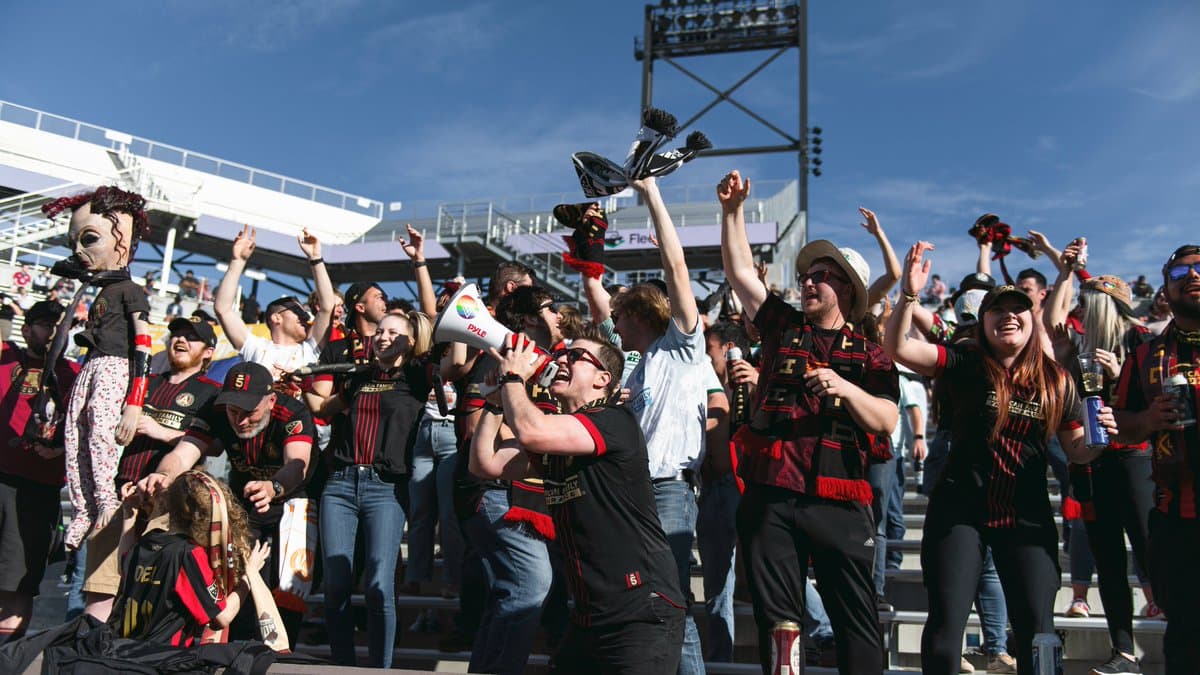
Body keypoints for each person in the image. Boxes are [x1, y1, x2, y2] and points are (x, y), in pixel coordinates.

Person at [885, 241, 1117, 675]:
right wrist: (910, 294)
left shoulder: (1057, 380)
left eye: (1018, 309)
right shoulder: (965, 360)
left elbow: (1078, 451)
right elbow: (899, 348)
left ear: (1032, 320)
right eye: (997, 310)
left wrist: (1101, 439)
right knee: (944, 631)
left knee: (1038, 633)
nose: (1009, 316)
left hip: (1025, 516)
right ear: (983, 322)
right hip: (960, 512)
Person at [719, 170, 898, 675]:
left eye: (822, 275)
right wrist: (732, 212)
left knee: (857, 622)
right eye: (807, 275)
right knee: (779, 624)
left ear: (848, 289)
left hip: (840, 497)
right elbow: (740, 274)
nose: (809, 281)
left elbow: (886, 420)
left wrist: (846, 388)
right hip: (773, 491)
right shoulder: (784, 326)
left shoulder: (872, 355)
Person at [471, 335, 686, 675]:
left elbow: (531, 431)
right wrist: (495, 404)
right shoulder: (559, 439)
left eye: (575, 356)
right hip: (590, 618)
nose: (561, 360)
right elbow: (485, 463)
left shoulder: (614, 420)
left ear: (603, 378)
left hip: (640, 613)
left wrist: (513, 377)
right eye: (561, 355)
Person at [134, 361, 316, 648]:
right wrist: (162, 475)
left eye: (249, 412)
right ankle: (239, 649)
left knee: (290, 586)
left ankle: (282, 653)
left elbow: (298, 464)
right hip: (245, 500)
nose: (240, 421)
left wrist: (273, 487)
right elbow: (183, 454)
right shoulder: (215, 410)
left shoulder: (292, 412)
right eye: (234, 411)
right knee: (238, 574)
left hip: (294, 499)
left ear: (270, 401)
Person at [609, 175, 714, 675]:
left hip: (671, 488)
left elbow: (677, 268)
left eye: (619, 316)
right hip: (635, 491)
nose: (614, 326)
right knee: (648, 597)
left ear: (640, 313)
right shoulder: (634, 371)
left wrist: (650, 192)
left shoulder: (682, 347)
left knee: (671, 596)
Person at [1045, 251, 1157, 674]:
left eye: (1088, 302)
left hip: (1134, 458)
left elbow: (1156, 404)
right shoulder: (1079, 345)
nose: (1081, 309)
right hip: (1090, 460)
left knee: (1150, 549)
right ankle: (1123, 652)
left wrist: (1122, 371)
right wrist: (1063, 359)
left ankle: (1179, 632)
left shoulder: (1141, 341)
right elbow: (1051, 323)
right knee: (1107, 559)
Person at [306, 310, 433, 668]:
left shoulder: (417, 374)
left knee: (379, 586)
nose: (382, 337)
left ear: (411, 340)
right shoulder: (359, 376)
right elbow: (324, 408)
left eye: (393, 332)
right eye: (379, 331)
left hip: (386, 489)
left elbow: (450, 359)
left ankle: (380, 668)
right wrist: (296, 386)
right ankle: (343, 665)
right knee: (335, 585)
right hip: (340, 485)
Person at [79, 316, 220, 622]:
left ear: (208, 352)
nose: (180, 340)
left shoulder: (211, 393)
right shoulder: (145, 383)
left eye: (191, 337)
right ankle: (90, 645)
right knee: (101, 591)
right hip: (121, 494)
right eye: (176, 334)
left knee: (149, 593)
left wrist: (162, 432)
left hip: (169, 504)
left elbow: (215, 446)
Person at [40, 187, 155, 551]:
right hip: (91, 365)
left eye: (89, 239)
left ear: (123, 239)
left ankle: (105, 499)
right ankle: (84, 509)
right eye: (74, 242)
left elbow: (144, 343)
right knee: (76, 435)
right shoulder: (99, 289)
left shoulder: (130, 290)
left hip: (114, 366)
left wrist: (134, 403)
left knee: (100, 434)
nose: (78, 251)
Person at [1111, 244, 1200, 674]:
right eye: (1181, 272)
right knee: (1185, 638)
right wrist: (1146, 419)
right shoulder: (1145, 355)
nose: (1193, 276)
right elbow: (1119, 422)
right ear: (1165, 288)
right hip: (1176, 520)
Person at [112, 470, 270, 647]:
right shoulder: (189, 554)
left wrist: (129, 515)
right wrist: (250, 576)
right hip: (162, 656)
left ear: (169, 505)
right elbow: (221, 617)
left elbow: (123, 564)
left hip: (123, 650)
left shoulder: (148, 541)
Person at [0, 302, 79, 645]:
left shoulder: (75, 373)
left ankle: (7, 658)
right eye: (47, 324)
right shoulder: (6, 358)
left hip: (38, 489)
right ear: (26, 329)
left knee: (19, 584)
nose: (55, 333)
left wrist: (61, 448)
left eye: (62, 326)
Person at [214, 225, 336, 384]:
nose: (306, 317)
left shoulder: (310, 350)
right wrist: (238, 261)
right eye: (298, 312)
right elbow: (223, 309)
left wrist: (316, 258)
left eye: (306, 313)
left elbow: (327, 307)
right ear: (276, 318)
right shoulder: (256, 347)